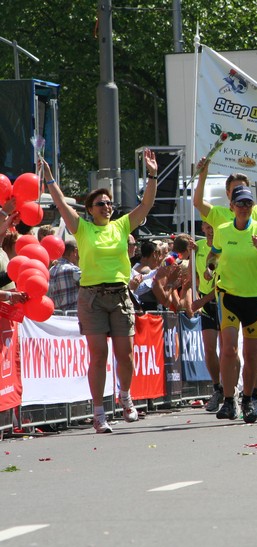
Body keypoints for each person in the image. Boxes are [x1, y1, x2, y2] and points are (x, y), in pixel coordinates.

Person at [41, 151, 158, 433]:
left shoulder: (121, 226)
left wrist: (152, 174)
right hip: (91, 297)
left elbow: (146, 204)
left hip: (119, 295)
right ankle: (98, 413)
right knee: (98, 355)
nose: (106, 207)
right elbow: (60, 202)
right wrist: (50, 180)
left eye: (108, 203)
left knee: (125, 354)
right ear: (90, 209)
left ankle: (125, 396)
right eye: (100, 203)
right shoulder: (82, 229)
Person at [207, 186, 257, 423]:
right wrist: (210, 268)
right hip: (228, 296)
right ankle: (229, 400)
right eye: (239, 203)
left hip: (254, 298)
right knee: (229, 349)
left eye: (248, 204)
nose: (244, 208)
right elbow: (214, 255)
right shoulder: (222, 231)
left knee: (251, 353)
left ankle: (249, 399)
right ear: (231, 206)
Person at [191, 220, 223, 412]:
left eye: (213, 227)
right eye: (208, 227)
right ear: (202, 227)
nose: (210, 231)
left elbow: (221, 281)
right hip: (206, 304)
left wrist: (201, 301)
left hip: (222, 301)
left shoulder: (222, 247)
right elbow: (192, 276)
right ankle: (217, 388)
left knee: (228, 348)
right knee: (209, 349)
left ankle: (231, 387)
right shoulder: (198, 247)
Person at [47, 239, 81, 312]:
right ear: (75, 251)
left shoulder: (52, 270)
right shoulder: (73, 270)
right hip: (73, 315)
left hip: (57, 315)